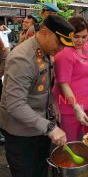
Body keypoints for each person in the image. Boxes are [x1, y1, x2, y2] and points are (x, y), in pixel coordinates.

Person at [0, 15, 75, 177]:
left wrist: (52, 102)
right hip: (21, 134)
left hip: (39, 128)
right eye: (60, 43)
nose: (62, 48)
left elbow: (43, 82)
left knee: (41, 169)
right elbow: (14, 104)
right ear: (45, 33)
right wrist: (50, 127)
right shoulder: (22, 58)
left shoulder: (45, 50)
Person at [53, 16, 88, 141]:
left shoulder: (85, 48)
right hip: (69, 105)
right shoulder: (64, 54)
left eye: (84, 36)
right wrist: (75, 107)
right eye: (76, 36)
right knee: (71, 141)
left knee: (86, 139)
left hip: (86, 101)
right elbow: (63, 84)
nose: (80, 41)